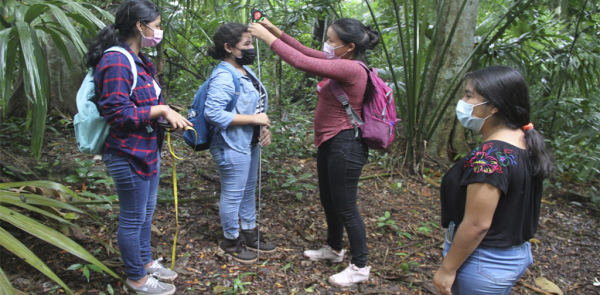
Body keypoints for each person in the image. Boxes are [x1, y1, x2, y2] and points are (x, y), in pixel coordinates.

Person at [249, 18, 379, 286]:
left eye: (332, 41)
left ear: (349, 46)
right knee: (329, 199)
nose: (327, 45)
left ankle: (360, 266)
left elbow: (302, 62)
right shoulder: (340, 60)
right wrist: (272, 28)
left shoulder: (352, 69)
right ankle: (334, 249)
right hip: (331, 142)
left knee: (346, 207)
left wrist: (265, 37)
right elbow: (302, 50)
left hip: (347, 145)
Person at [84, 0, 191, 294]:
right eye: (155, 27)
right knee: (132, 218)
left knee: (146, 213)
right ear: (139, 26)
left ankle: (145, 263)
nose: (158, 32)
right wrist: (161, 111)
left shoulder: (139, 59)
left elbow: (142, 103)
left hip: (146, 149)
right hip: (126, 152)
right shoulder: (116, 60)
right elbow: (118, 115)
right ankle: (137, 278)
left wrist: (166, 113)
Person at [433, 66, 553, 295]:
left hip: (482, 259)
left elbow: (477, 224)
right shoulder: (523, 140)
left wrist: (447, 269)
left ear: (494, 106)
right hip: (511, 255)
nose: (463, 101)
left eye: (469, 96)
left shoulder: (490, 156)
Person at [204, 23, 275, 264]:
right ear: (228, 47)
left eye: (251, 42)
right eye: (246, 44)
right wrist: (254, 119)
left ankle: (249, 233)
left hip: (248, 140)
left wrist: (262, 126)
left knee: (248, 190)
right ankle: (230, 240)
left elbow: (255, 105)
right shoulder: (225, 75)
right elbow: (212, 113)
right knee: (233, 193)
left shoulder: (244, 70)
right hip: (229, 143)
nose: (251, 47)